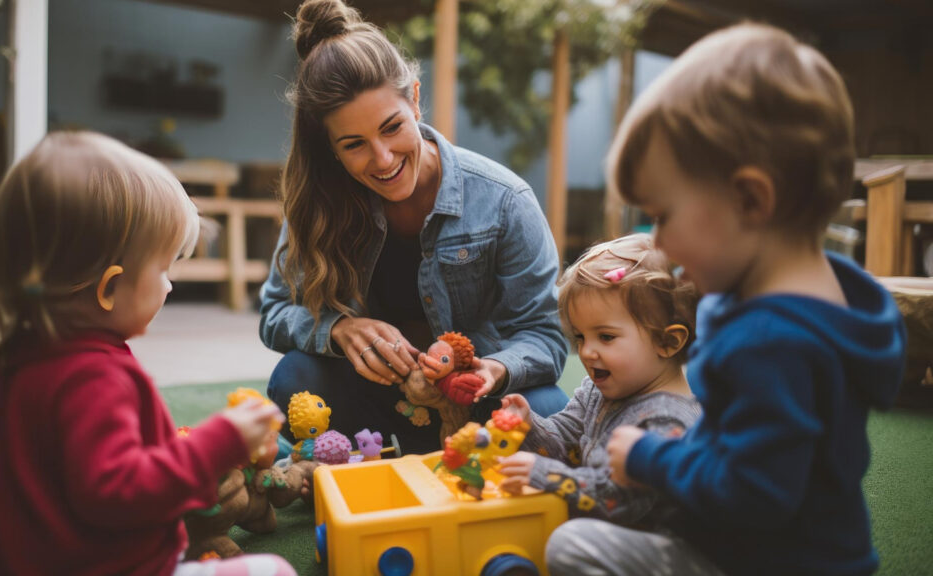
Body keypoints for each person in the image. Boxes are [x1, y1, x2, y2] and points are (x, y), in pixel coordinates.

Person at [596, 24, 906, 576]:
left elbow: (754, 493)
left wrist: (649, 458)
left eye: (664, 216)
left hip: (766, 561)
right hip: (829, 555)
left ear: (750, 199)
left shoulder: (771, 341)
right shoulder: (832, 296)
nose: (660, 242)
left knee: (575, 546)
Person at [0, 132, 296, 576]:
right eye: (163, 269)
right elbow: (117, 492)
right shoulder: (92, 379)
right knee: (273, 571)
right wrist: (219, 443)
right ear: (109, 288)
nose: (170, 284)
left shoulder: (25, 358)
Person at [260, 0, 569, 454]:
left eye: (391, 128)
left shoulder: (505, 200)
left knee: (546, 409)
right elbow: (274, 314)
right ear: (331, 148)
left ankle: (401, 452)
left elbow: (545, 335)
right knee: (294, 378)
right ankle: (398, 449)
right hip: (375, 401)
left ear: (416, 100)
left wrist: (494, 370)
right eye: (354, 145)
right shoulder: (317, 203)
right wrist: (338, 330)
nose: (382, 159)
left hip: (473, 402)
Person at [496, 234, 700, 527]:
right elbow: (566, 444)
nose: (587, 352)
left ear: (667, 342)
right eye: (580, 336)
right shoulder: (597, 389)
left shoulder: (669, 422)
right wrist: (529, 425)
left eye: (606, 337)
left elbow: (617, 501)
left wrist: (546, 475)